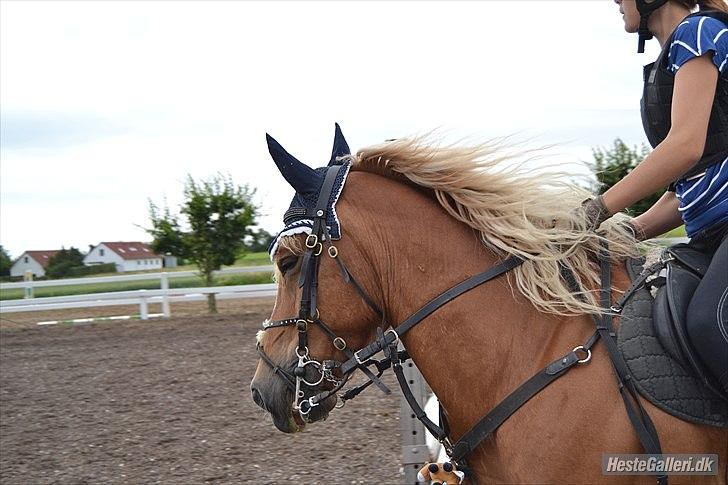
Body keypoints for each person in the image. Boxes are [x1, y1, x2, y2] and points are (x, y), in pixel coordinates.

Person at [582, 0, 728, 394]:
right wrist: (624, 233)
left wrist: (597, 210)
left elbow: (685, 147)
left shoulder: (699, 33)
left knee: (706, 322)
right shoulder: (669, 61)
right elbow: (687, 190)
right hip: (710, 237)